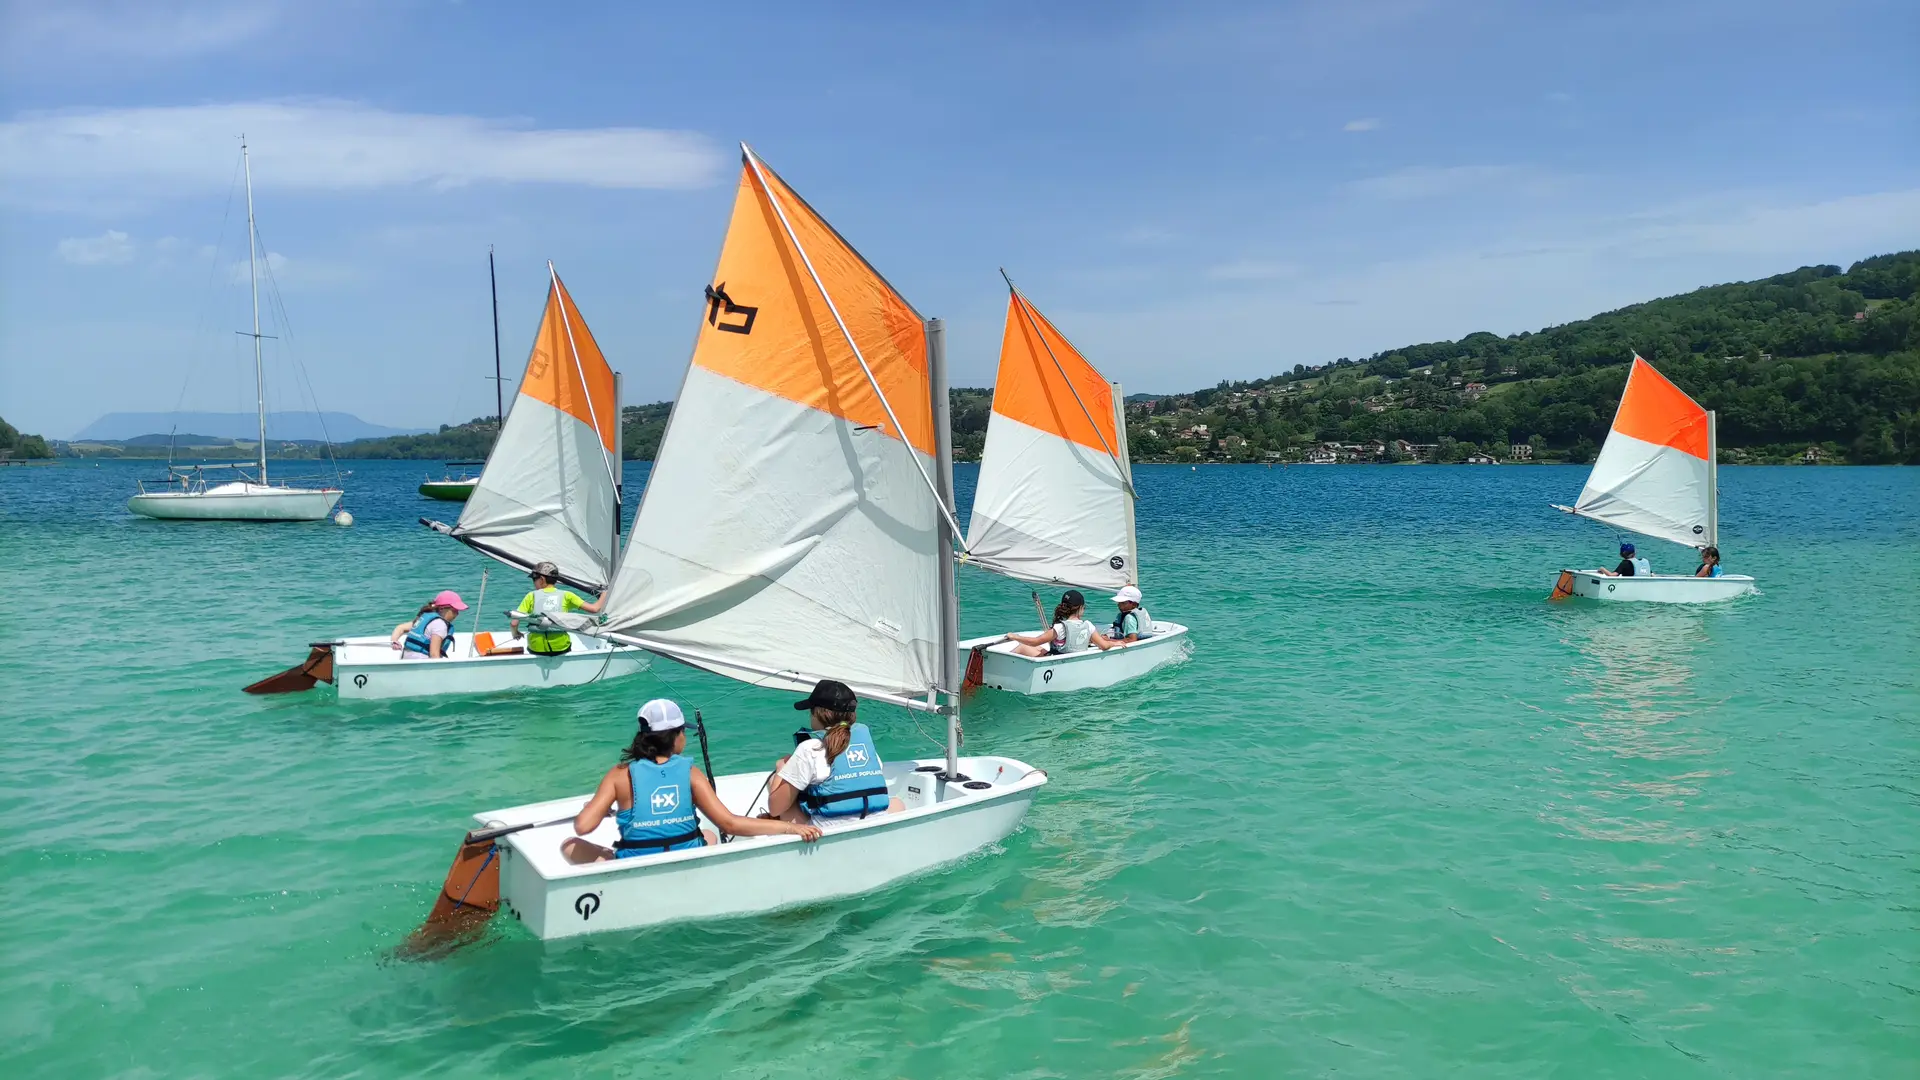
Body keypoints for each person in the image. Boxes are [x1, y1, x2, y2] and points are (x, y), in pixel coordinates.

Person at [562, 699, 821, 863]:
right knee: (708, 834)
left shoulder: (619, 775)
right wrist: (791, 828)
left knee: (568, 846)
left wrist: (593, 808)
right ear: (676, 736)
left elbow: (583, 827)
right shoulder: (690, 773)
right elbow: (730, 824)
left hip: (635, 860)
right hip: (685, 856)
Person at [765, 680, 903, 823]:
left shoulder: (810, 748)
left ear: (816, 713)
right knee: (897, 803)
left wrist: (781, 769)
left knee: (779, 787)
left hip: (826, 831)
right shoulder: (864, 743)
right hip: (871, 822)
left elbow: (776, 808)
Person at [510, 561, 606, 656]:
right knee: (565, 644)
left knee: (533, 645)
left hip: (536, 648)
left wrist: (516, 634)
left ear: (542, 579)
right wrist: (604, 594)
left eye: (534, 579)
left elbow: (514, 623)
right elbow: (594, 609)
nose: (533, 583)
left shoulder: (531, 596)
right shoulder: (567, 595)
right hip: (560, 647)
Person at [1005, 589, 1118, 657]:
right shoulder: (1088, 625)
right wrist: (1114, 643)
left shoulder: (1060, 627)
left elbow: (1034, 642)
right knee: (1039, 648)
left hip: (1055, 662)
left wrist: (1015, 636)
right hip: (1072, 662)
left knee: (1023, 646)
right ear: (1081, 608)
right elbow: (1104, 646)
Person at [390, 591, 468, 659]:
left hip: (406, 660)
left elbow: (400, 628)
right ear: (441, 609)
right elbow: (434, 654)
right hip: (421, 665)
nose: (457, 614)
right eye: (454, 610)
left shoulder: (425, 619)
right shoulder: (440, 624)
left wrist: (394, 641)